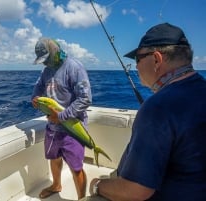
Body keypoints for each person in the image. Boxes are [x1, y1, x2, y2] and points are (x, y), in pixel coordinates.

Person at [82, 23, 206, 201]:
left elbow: (136, 191)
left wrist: (97, 185)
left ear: (156, 59)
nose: (136, 66)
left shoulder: (159, 107)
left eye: (137, 59)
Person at [31, 37, 92, 199]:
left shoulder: (74, 67)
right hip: (52, 128)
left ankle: (82, 198)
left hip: (73, 129)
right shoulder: (46, 70)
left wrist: (62, 117)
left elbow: (85, 98)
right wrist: (35, 97)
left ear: (55, 52)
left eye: (46, 59)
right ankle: (56, 185)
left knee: (76, 168)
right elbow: (39, 85)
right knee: (54, 158)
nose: (45, 63)